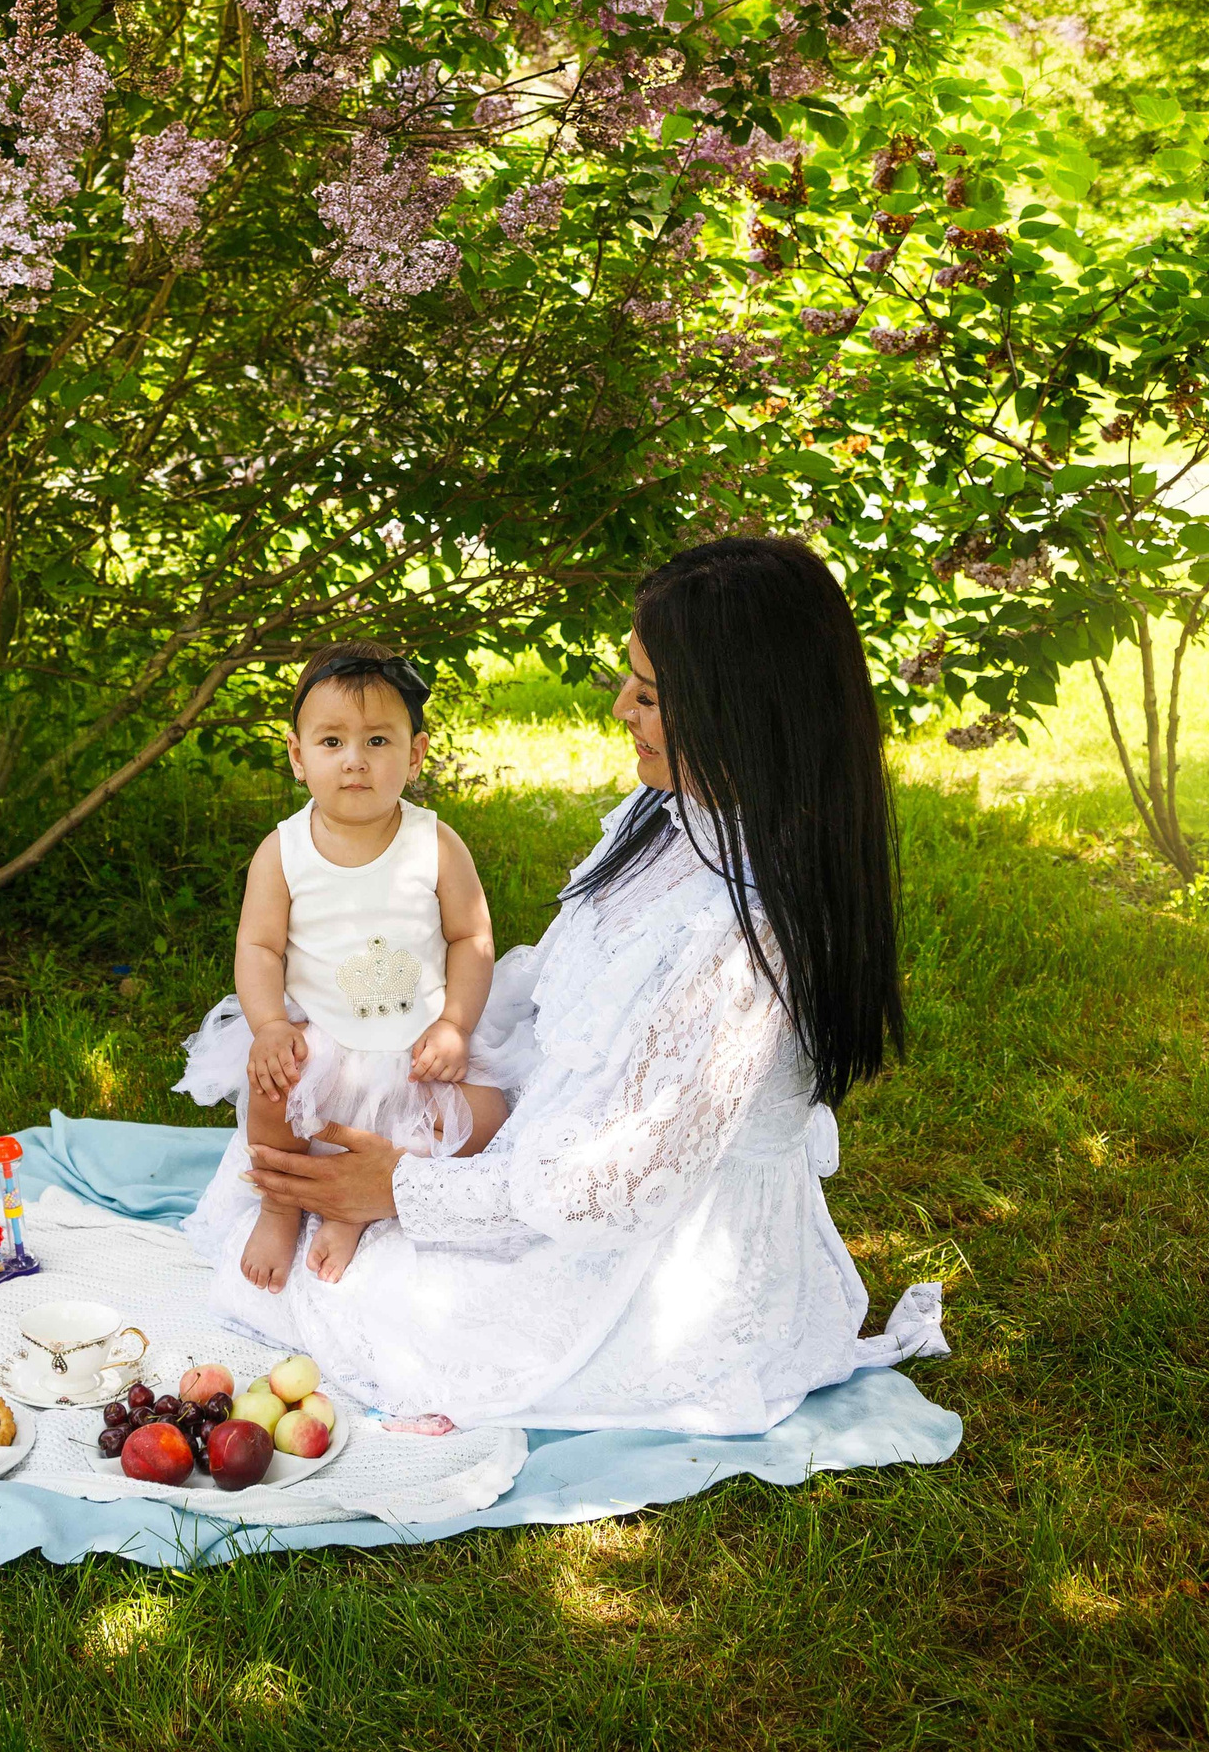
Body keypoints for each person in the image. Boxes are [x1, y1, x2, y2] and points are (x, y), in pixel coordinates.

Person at [194, 538, 948, 1432]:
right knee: (292, 1183)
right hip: (547, 1147)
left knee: (370, 1303)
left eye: (651, 693)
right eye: (629, 678)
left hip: (645, 1246)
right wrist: (420, 1072)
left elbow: (621, 1184)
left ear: (739, 708)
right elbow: (556, 987)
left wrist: (403, 1188)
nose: (621, 707)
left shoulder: (747, 931)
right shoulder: (670, 809)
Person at [174, 642, 522, 1293]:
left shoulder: (436, 843)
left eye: (378, 740)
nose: (355, 759)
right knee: (275, 1089)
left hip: (417, 1047)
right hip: (327, 1043)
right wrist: (271, 1023)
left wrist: (453, 1022)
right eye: (332, 741)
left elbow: (471, 933)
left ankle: (368, 1193)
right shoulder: (284, 851)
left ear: (415, 754)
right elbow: (259, 948)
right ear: (299, 756)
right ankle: (283, 1202)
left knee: (489, 1113)